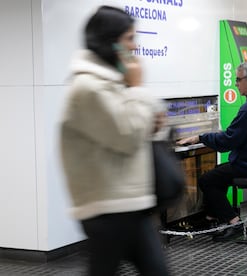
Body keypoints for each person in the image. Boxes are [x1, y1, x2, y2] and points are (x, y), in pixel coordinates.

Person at [59, 6, 169, 276]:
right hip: (108, 208)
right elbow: (128, 136)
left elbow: (130, 129)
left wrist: (150, 123)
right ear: (110, 41)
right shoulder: (88, 89)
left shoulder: (110, 85)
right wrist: (138, 89)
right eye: (129, 38)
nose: (135, 46)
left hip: (128, 203)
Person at [177, 61, 247, 242]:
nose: (236, 84)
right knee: (220, 173)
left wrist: (200, 138)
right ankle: (212, 218)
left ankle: (234, 223)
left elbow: (228, 141)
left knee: (207, 180)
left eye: (238, 79)